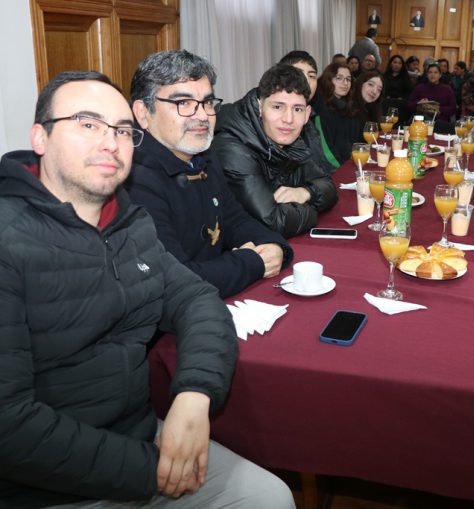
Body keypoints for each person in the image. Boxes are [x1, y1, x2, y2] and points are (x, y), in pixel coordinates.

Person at [0, 70, 294, 507]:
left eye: (121, 130)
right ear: (40, 137)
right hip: (45, 487)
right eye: (87, 124)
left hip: (141, 439)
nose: (110, 142)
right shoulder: (9, 240)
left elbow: (197, 300)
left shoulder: (128, 222)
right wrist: (149, 469)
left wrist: (194, 396)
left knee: (271, 496)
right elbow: (9, 426)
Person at [125, 50, 292, 299]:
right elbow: (174, 282)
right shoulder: (133, 180)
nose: (203, 115)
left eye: (207, 103)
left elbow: (235, 220)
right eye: (183, 103)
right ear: (142, 113)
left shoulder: (203, 158)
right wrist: (252, 262)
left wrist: (275, 246)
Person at [212, 64, 337, 238]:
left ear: (307, 114)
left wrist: (305, 193)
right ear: (259, 107)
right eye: (277, 107)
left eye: (297, 109)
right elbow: (275, 221)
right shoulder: (232, 148)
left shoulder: (288, 138)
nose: (288, 119)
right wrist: (311, 211)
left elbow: (328, 185)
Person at [279, 50, 336, 174]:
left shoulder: (310, 117)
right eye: (298, 73)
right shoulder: (271, 118)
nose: (306, 81)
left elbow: (321, 165)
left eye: (311, 76)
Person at [313, 62, 354, 164]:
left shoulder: (342, 105)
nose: (345, 83)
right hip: (331, 167)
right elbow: (326, 151)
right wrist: (343, 168)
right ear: (328, 80)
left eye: (348, 79)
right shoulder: (321, 108)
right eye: (339, 78)